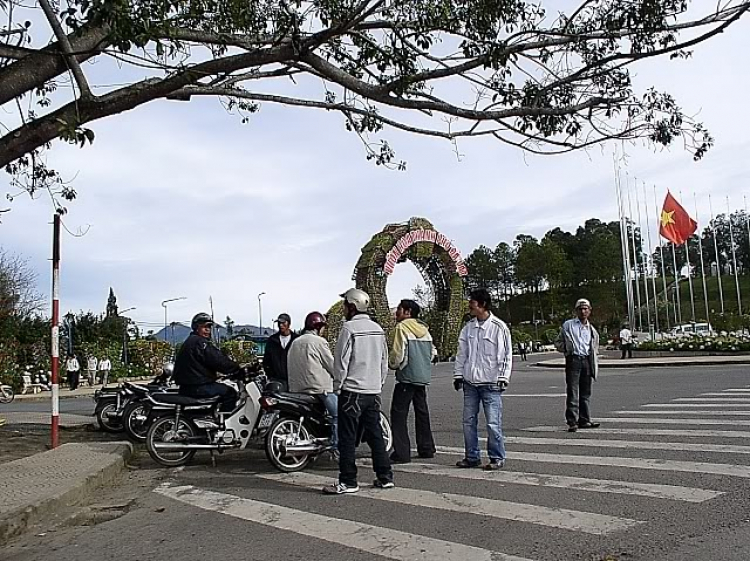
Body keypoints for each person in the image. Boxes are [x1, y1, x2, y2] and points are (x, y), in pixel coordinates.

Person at [323, 288, 393, 495]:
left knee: (347, 438)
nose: (344, 308)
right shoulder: (378, 329)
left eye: (345, 304)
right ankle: (385, 476)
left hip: (352, 391)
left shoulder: (349, 329)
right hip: (372, 392)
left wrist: (338, 385)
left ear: (352, 306)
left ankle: (348, 481)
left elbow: (342, 361)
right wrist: (377, 383)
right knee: (375, 436)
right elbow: (384, 361)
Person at [453, 288, 512, 471]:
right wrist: (458, 375)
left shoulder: (498, 327)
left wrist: (503, 377)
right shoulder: (468, 328)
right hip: (470, 383)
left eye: (472, 302)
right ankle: (472, 456)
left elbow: (505, 355)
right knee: (468, 421)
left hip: (491, 383)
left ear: (482, 304)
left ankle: (496, 457)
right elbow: (461, 354)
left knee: (493, 422)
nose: (469, 305)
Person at [388, 299, 436, 464]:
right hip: (422, 377)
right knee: (422, 412)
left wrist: (393, 365)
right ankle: (426, 448)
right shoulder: (424, 330)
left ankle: (402, 452)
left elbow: (398, 354)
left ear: (407, 312)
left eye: (399, 309)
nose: (397, 313)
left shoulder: (401, 328)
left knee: (398, 414)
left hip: (406, 377)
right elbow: (432, 353)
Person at [287, 311, 338, 454]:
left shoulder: (295, 342)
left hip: (296, 389)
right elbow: (331, 365)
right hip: (318, 389)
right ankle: (337, 447)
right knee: (338, 414)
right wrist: (340, 377)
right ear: (318, 326)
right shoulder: (319, 342)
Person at [173, 313, 241, 411]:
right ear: (196, 328)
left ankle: (214, 414)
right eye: (204, 327)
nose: (207, 330)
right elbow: (217, 360)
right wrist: (236, 369)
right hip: (197, 386)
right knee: (230, 393)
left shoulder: (191, 341)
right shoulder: (200, 343)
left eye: (209, 327)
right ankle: (225, 423)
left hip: (189, 385)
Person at [554, 298, 600, 432]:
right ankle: (572, 421)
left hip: (586, 360)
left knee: (585, 392)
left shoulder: (592, 329)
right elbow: (558, 342)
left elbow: (594, 346)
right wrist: (567, 350)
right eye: (580, 309)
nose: (583, 311)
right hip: (573, 360)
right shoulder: (568, 325)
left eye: (585, 309)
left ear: (590, 311)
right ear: (576, 311)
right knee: (573, 391)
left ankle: (584, 419)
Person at [263, 313, 298, 391]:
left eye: (283, 323)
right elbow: (266, 361)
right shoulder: (272, 340)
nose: (281, 325)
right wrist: (271, 375)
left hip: (295, 381)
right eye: (279, 323)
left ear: (289, 324)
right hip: (277, 381)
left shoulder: (297, 340)